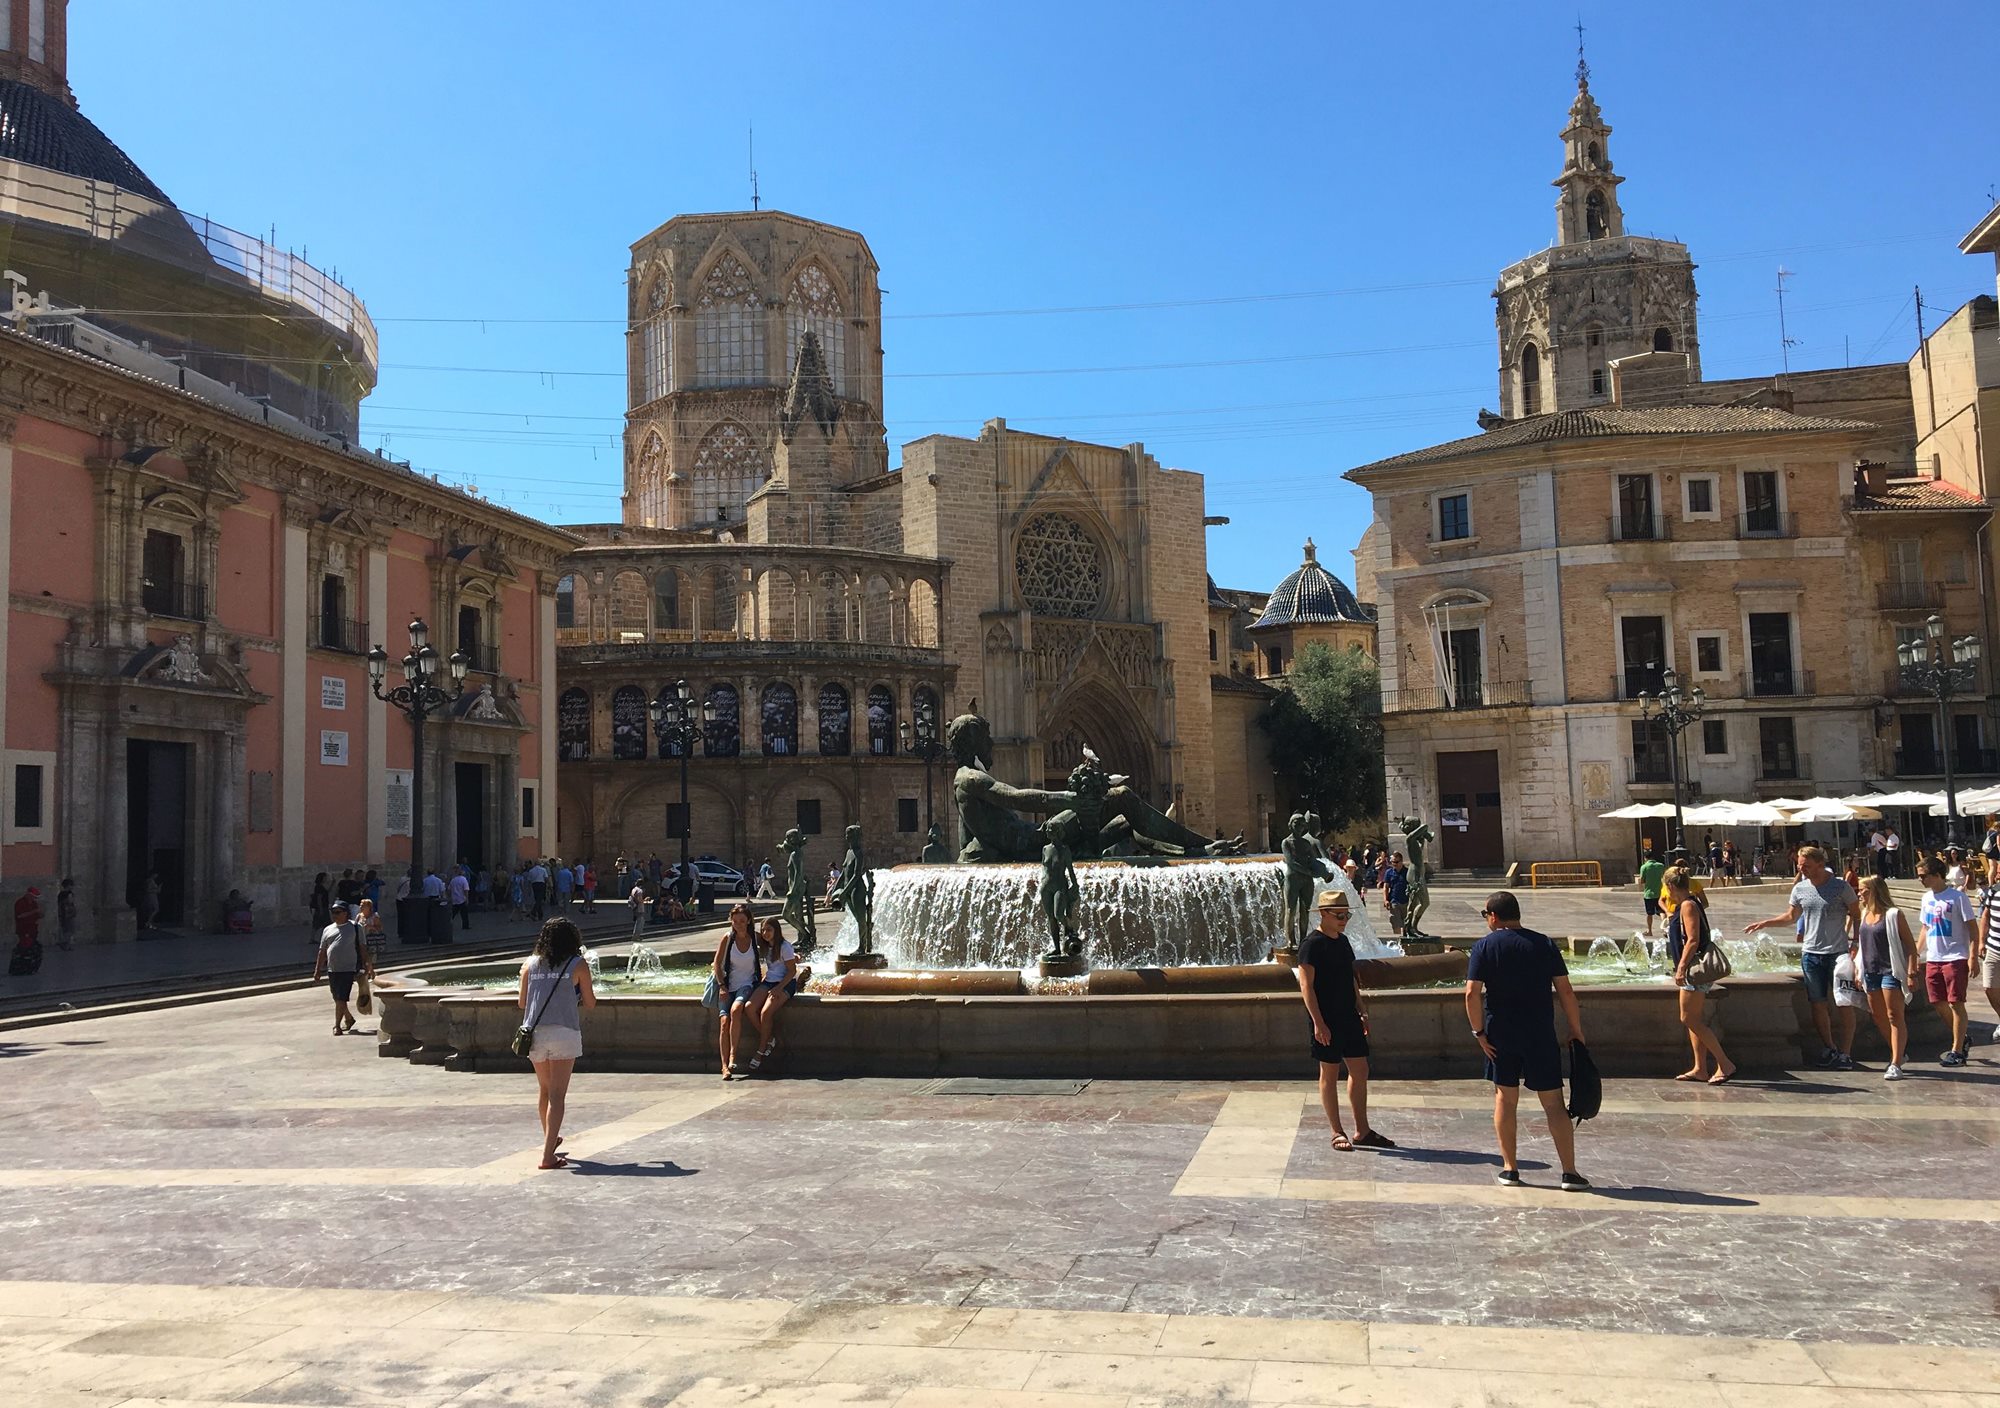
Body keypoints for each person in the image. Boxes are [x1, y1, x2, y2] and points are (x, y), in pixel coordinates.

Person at [1465, 891, 1589, 1191]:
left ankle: (1510, 1169)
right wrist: (1576, 1029)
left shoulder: (1484, 946)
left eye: (1485, 915)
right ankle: (1569, 1173)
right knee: (1554, 1104)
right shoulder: (1544, 943)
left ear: (1493, 916)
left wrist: (1478, 1033)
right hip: (1539, 1032)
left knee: (1505, 1100)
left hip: (1500, 1034)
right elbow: (1566, 991)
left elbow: (1471, 994)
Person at [1744, 845, 1859, 1070]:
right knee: (1817, 1003)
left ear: (1819, 863)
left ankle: (1846, 1052)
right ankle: (1830, 1047)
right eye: (1799, 865)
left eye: (1805, 865)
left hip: (1838, 953)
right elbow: (1791, 916)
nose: (1801, 869)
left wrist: (1855, 945)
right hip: (1811, 954)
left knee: (1844, 1003)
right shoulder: (1800, 889)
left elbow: (1857, 915)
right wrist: (1766, 923)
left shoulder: (1841, 887)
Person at [1297, 889, 1392, 1152]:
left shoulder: (1343, 941)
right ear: (1323, 914)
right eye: (1339, 915)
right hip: (1326, 1017)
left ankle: (1362, 1130)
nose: (1344, 919)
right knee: (1329, 1071)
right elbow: (1306, 986)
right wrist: (1318, 1022)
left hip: (1348, 1014)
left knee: (1360, 1069)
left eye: (1347, 914)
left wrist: (1360, 1007)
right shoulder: (1311, 945)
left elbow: (1350, 978)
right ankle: (1336, 1131)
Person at [516, 916, 596, 1170]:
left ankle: (550, 1139)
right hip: (563, 1031)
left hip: (535, 1033)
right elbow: (591, 1002)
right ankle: (548, 1155)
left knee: (545, 1090)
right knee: (558, 1095)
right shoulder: (577, 964)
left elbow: (522, 1003)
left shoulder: (530, 964)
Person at [1661, 867, 1733, 1083]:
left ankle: (1725, 1064)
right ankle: (1700, 1068)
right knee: (1694, 1020)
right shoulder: (1687, 904)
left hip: (1693, 969)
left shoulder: (1688, 905)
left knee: (1688, 1018)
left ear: (1671, 886)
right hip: (1691, 968)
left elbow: (1693, 939)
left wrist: (1681, 967)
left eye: (1666, 887)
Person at [1854, 875, 1917, 1080]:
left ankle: (1896, 1062)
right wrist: (1857, 969)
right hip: (1870, 971)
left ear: (1874, 891)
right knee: (1877, 1015)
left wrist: (1911, 971)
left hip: (1891, 970)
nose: (1859, 893)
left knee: (1894, 1015)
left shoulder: (1893, 915)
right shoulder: (1864, 913)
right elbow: (1862, 946)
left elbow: (1910, 945)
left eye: (1862, 889)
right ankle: (1899, 1051)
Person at [1916, 856, 1975, 1066]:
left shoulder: (1957, 898)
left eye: (1923, 876)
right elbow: (1925, 927)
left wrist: (1973, 955)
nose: (1920, 880)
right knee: (1937, 1002)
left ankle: (1957, 1050)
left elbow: (1972, 927)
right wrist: (1916, 952)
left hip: (1955, 956)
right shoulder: (1926, 898)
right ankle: (1962, 1036)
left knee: (1956, 1002)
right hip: (1934, 956)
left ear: (1936, 875)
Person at [746, 916, 808, 1074]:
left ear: (776, 930)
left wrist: (779, 988)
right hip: (769, 981)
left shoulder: (785, 946)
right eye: (764, 930)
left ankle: (760, 1051)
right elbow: (747, 930)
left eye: (769, 930)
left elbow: (792, 971)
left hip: (785, 983)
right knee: (749, 1007)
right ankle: (769, 1038)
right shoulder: (766, 945)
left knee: (765, 1013)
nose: (766, 933)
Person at [712, 902, 762, 1079]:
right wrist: (722, 986)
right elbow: (717, 964)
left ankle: (733, 1055)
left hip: (747, 984)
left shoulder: (755, 937)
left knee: (736, 1009)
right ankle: (724, 1066)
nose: (739, 924)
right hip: (727, 986)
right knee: (724, 1023)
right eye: (735, 921)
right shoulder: (727, 938)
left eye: (742, 921)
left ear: (748, 920)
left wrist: (791, 956)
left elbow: (775, 948)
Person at [311, 901, 373, 1036]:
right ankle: (349, 1018)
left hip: (348, 968)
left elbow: (363, 948)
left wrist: (368, 966)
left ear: (346, 913)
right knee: (336, 996)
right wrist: (317, 970)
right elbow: (322, 951)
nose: (335, 915)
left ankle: (337, 1025)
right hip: (332, 968)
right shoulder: (327, 929)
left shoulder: (356, 928)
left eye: (338, 912)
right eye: (333, 912)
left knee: (341, 998)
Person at [1638, 850, 1667, 937]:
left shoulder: (1644, 867)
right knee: (1662, 911)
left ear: (1645, 858)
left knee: (1649, 913)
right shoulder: (1660, 865)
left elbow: (1642, 880)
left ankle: (1649, 930)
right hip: (1660, 892)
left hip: (1649, 893)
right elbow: (1664, 877)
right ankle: (1665, 930)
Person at [1383, 853, 1410, 938]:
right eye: (1392, 862)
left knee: (1406, 923)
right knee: (1395, 923)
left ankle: (1406, 937)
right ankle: (1398, 939)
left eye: (1396, 862)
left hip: (1406, 901)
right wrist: (1385, 900)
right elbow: (1386, 887)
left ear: (1401, 861)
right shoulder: (1389, 872)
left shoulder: (1407, 872)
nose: (1394, 864)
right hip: (1394, 901)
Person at [357, 896, 387, 964]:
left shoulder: (374, 916)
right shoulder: (359, 916)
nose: (361, 907)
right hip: (361, 939)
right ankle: (370, 972)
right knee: (363, 957)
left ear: (369, 907)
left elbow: (380, 928)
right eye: (360, 906)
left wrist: (370, 927)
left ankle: (371, 972)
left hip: (371, 940)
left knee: (370, 957)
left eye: (363, 906)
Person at [54, 877, 77, 951]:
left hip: (62, 913)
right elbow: (70, 902)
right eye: (71, 885)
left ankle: (65, 944)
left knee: (65, 929)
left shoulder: (60, 894)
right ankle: (64, 943)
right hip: (68, 914)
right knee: (70, 929)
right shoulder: (69, 894)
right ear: (68, 885)